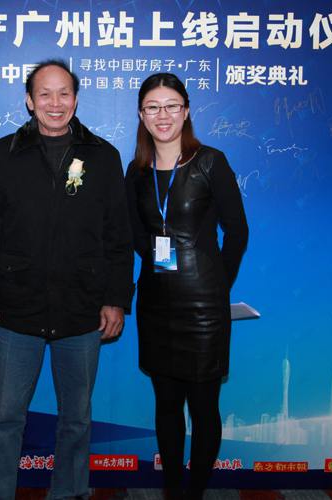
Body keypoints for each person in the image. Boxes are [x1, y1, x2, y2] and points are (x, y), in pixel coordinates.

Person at [0, 59, 133, 500]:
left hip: (82, 309)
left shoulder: (103, 157)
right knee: (5, 417)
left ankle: (69, 493)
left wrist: (116, 298)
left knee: (76, 419)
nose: (55, 103)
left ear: (75, 99)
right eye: (45, 94)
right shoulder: (2, 155)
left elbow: (119, 238)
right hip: (16, 308)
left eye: (64, 93)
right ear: (29, 101)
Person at [125, 73, 248, 499]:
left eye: (172, 105)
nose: (163, 115)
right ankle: (172, 490)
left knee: (203, 406)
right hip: (156, 305)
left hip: (203, 310)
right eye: (153, 107)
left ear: (187, 110)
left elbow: (237, 232)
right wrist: (155, 264)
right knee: (165, 405)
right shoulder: (137, 171)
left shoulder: (210, 161)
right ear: (141, 114)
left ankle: (194, 492)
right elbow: (134, 233)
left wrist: (216, 285)